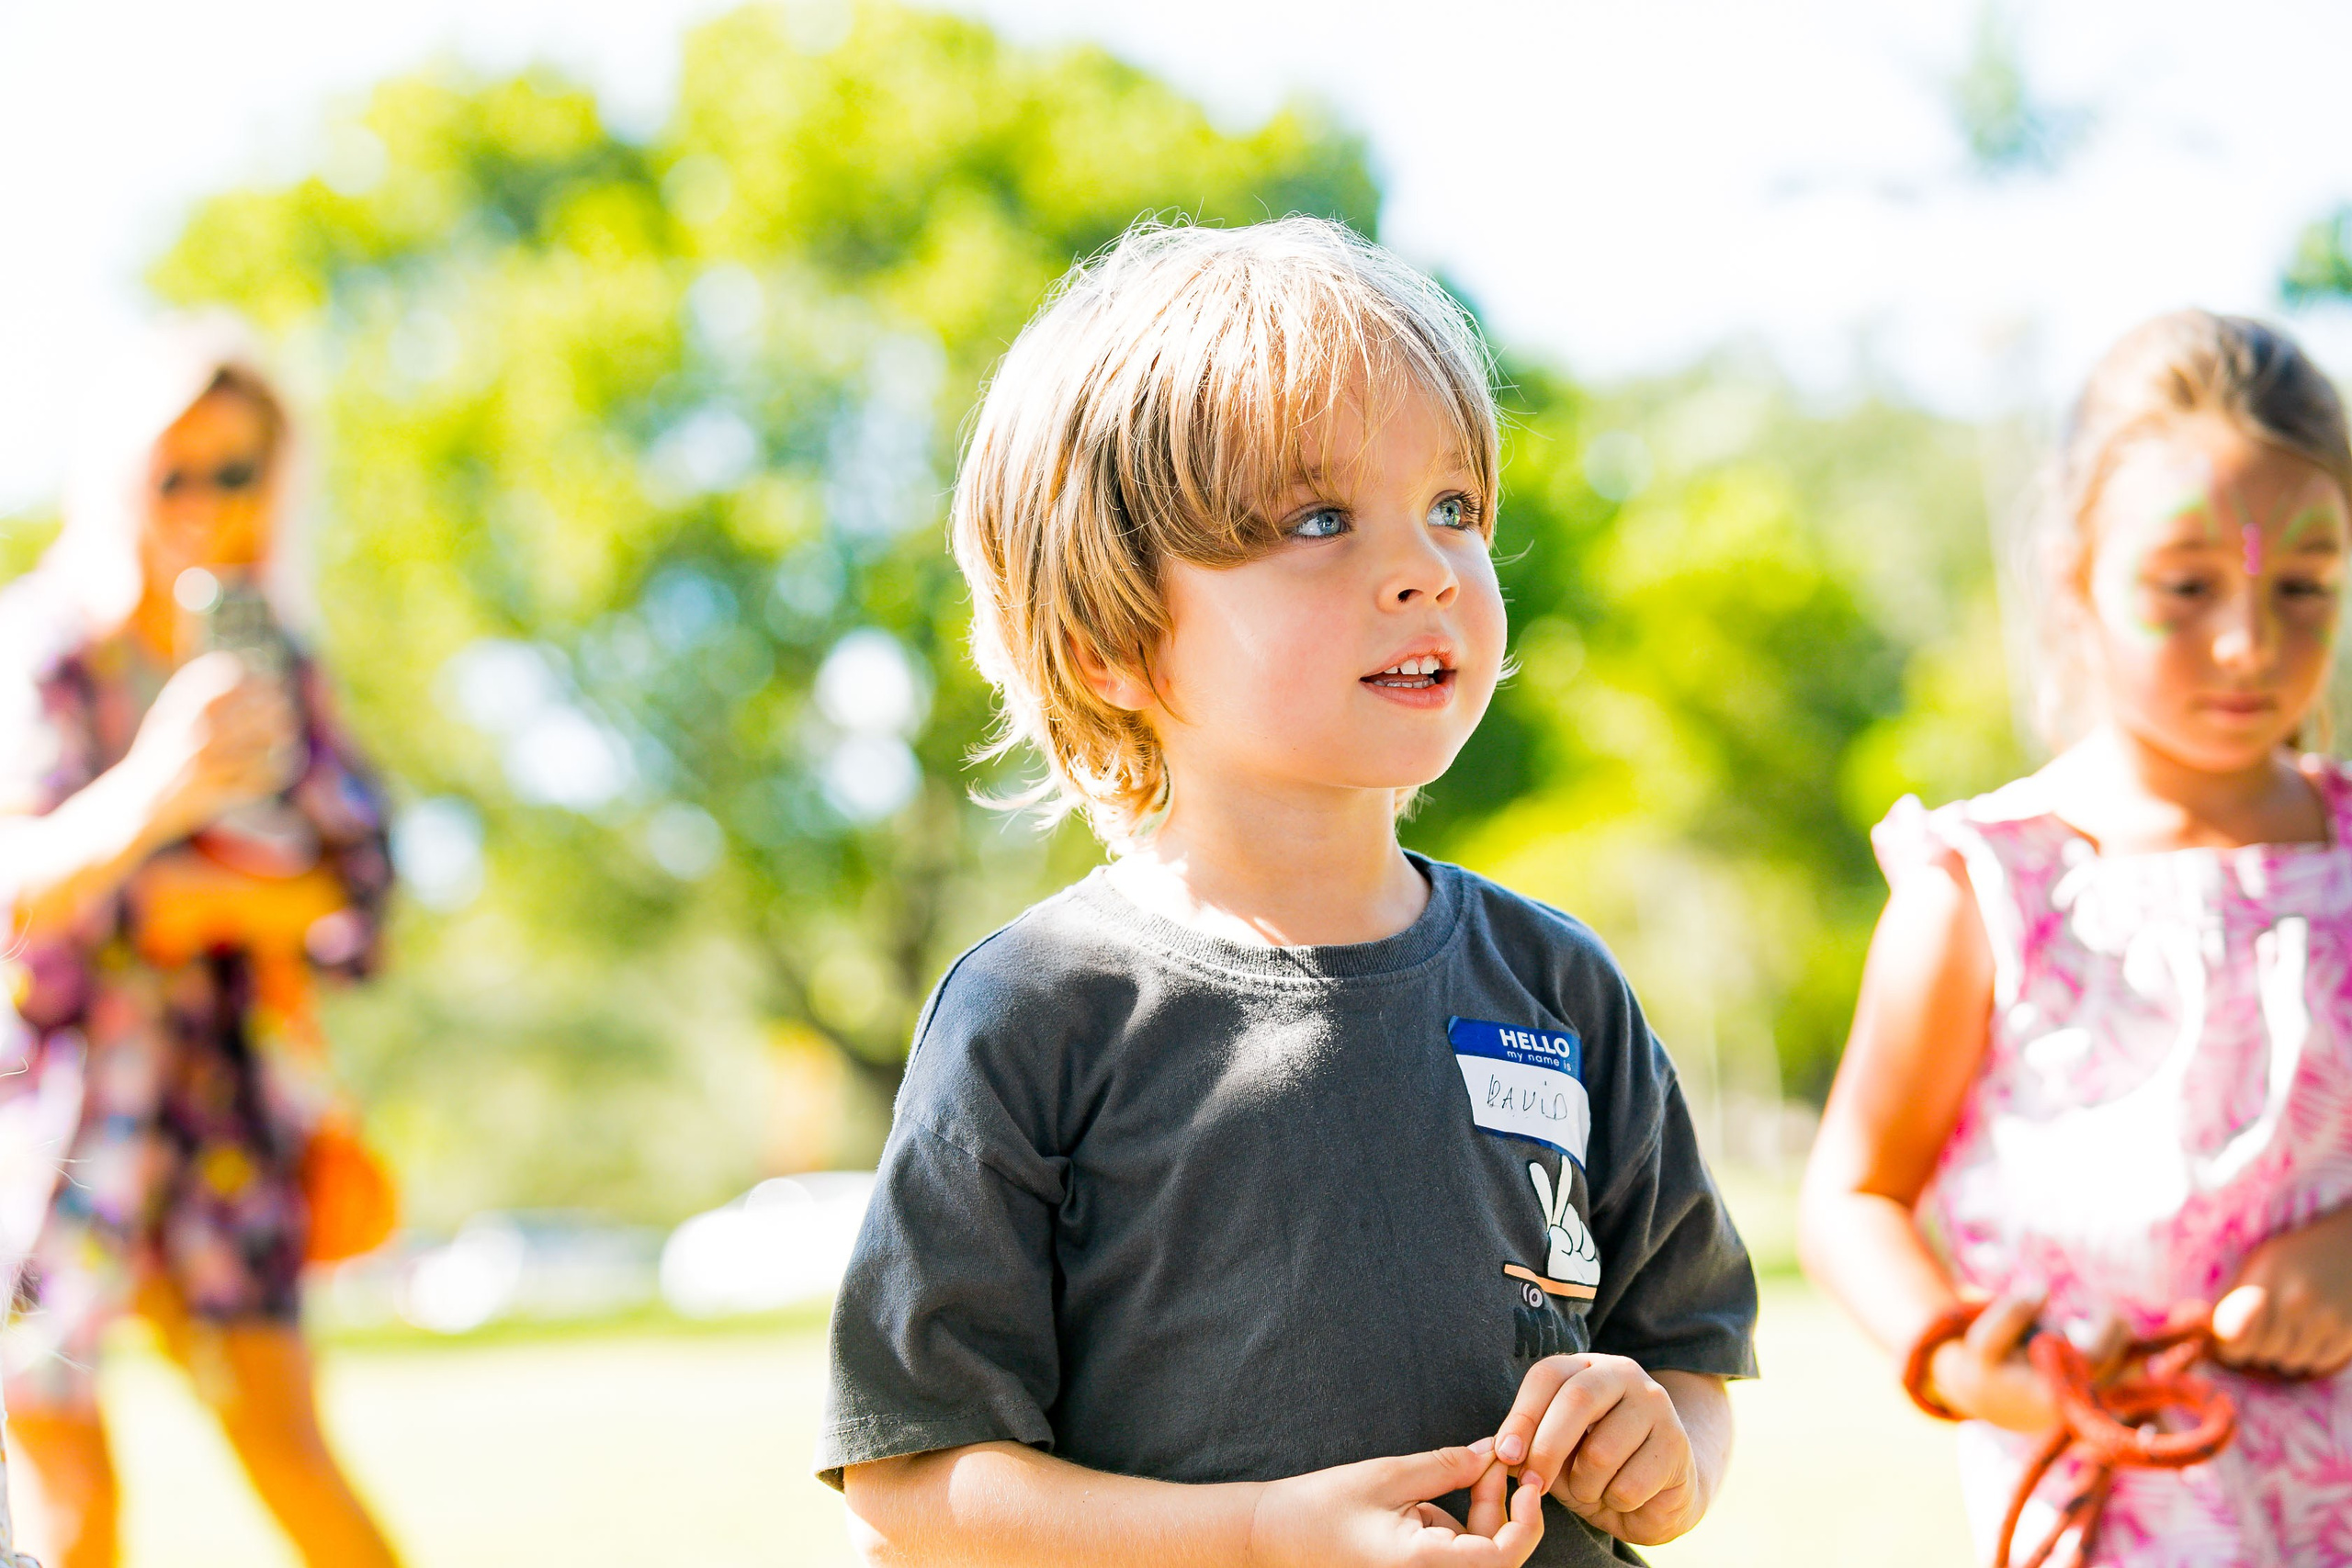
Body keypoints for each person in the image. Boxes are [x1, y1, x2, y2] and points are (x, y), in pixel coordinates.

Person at [819, 217, 1758, 1567]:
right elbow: (912, 1479)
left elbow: (1687, 1358)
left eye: (1453, 508)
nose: (1426, 567)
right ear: (1109, 642)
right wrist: (1262, 1534)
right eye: (1320, 521)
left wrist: (1663, 1457)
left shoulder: (1561, 986)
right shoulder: (1038, 1012)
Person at [1800, 310, 2352, 1565]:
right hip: (2111, 1525)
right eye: (2186, 587)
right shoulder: (1987, 888)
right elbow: (1852, 1196)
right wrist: (1964, 1361)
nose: (2248, 642)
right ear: (2074, 581)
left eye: (2304, 587)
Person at [0, 318, 401, 1568]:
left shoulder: (276, 661)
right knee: (68, 1492)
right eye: (174, 472)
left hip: (224, 1113)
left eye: (238, 472)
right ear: (118, 473)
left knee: (293, 1457)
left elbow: (362, 889)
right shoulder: (47, 648)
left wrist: (208, 899)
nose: (206, 506)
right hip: (61, 1121)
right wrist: (155, 797)